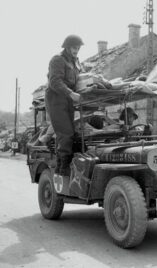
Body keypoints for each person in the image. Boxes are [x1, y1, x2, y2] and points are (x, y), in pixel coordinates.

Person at [45, 35, 83, 183]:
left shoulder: (75, 63)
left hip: (68, 100)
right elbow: (54, 81)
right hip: (56, 99)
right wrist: (70, 93)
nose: (77, 50)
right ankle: (61, 172)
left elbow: (79, 79)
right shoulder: (58, 60)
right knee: (65, 133)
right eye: (74, 47)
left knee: (71, 133)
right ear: (67, 47)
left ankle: (63, 167)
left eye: (79, 48)